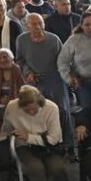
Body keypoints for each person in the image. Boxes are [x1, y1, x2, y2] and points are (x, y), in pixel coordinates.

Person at [2, 85, 70, 181]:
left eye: (35, 109)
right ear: (21, 106)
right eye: (27, 110)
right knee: (35, 169)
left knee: (58, 168)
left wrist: (29, 137)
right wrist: (14, 135)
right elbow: (6, 129)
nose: (32, 112)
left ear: (40, 103)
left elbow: (54, 138)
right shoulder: (12, 107)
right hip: (24, 146)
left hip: (48, 146)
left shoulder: (51, 108)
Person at [16, 14, 72, 148]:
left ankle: (68, 145)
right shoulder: (21, 40)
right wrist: (28, 72)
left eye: (40, 23)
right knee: (37, 111)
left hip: (54, 78)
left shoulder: (54, 40)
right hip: (34, 80)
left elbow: (63, 61)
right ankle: (43, 144)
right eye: (34, 24)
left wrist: (67, 78)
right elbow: (20, 60)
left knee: (62, 110)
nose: (38, 27)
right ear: (27, 26)